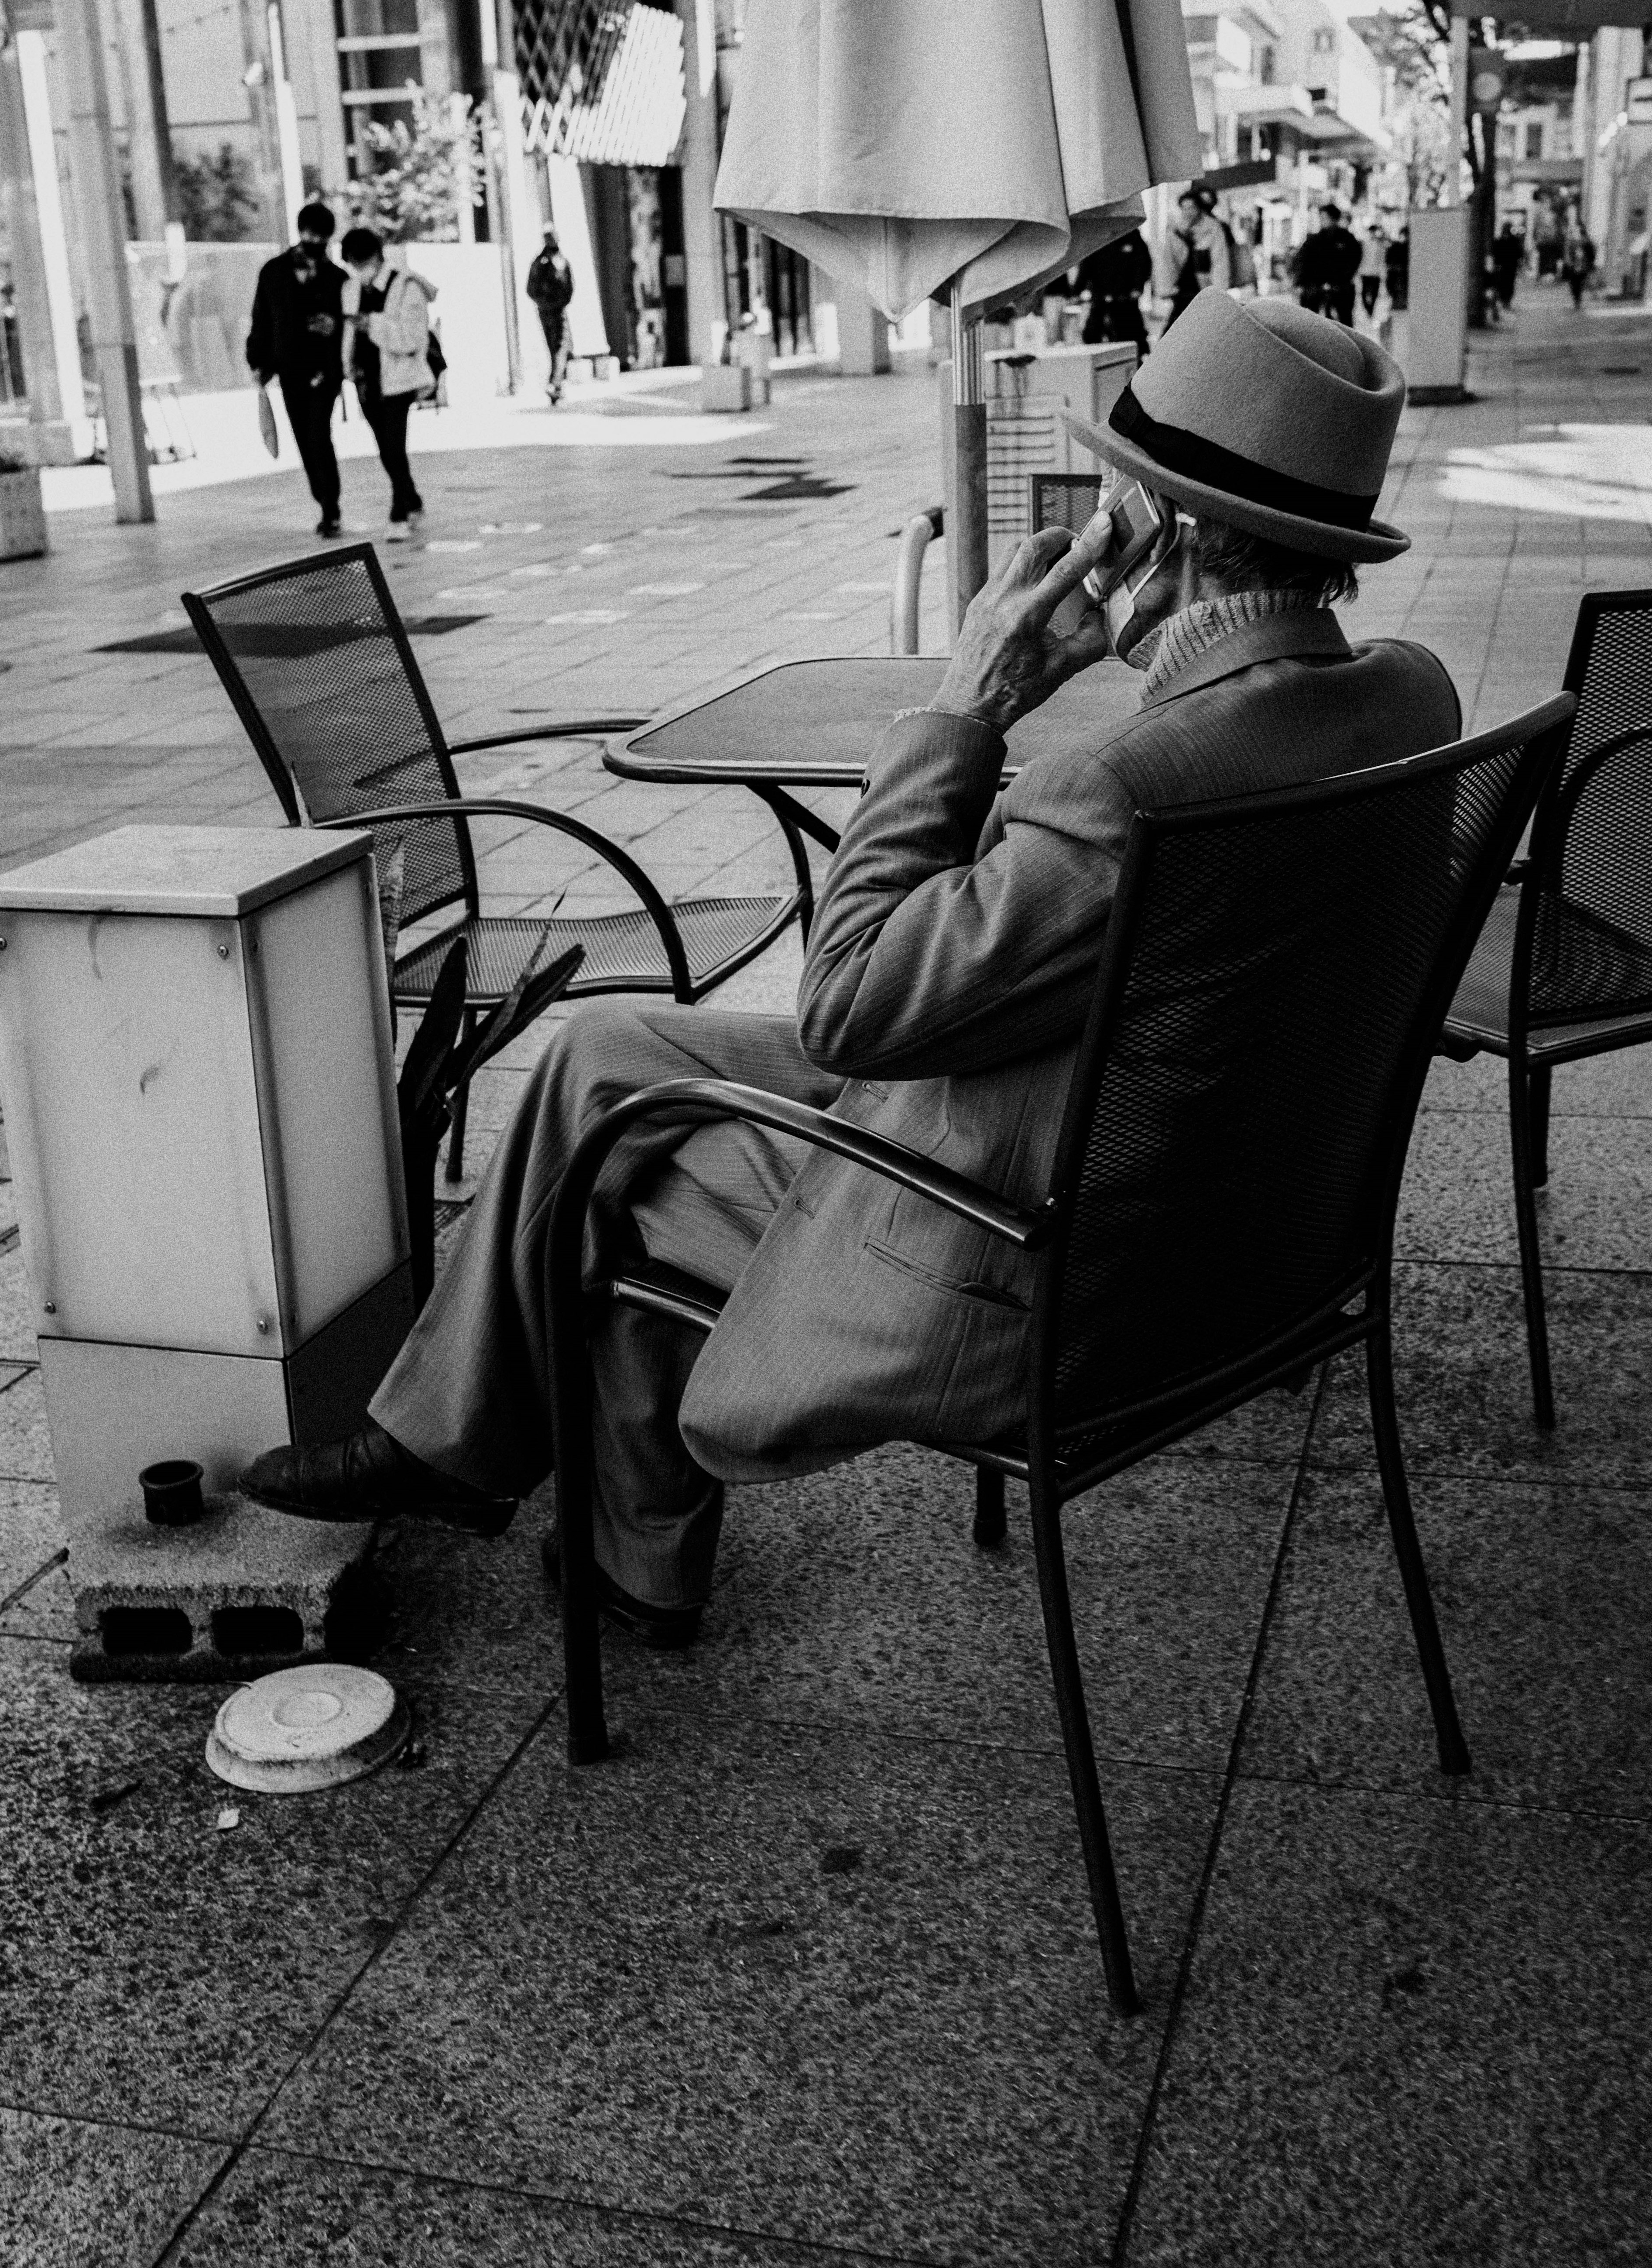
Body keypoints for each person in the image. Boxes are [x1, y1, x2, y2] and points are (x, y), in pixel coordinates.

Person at [241, 291, 1459, 1648]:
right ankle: (507, 1483)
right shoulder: (1402, 699)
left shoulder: (1127, 793)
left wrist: (968, 707)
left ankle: (518, 1490)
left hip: (1040, 1264)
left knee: (620, 1173)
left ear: (1160, 533)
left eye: (1115, 487)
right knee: (603, 1056)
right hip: (1227, 1226)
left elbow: (854, 1005)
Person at [245, 201, 346, 537]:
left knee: (318, 434)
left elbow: (345, 326)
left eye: (322, 236)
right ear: (301, 232)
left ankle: (330, 505)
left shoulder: (337, 279)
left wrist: (333, 329)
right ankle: (322, 500)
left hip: (325, 370)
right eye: (312, 234)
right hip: (289, 369)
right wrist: (258, 360)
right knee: (304, 437)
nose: (316, 240)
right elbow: (262, 319)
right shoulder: (273, 273)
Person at [340, 225, 434, 541]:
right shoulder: (352, 289)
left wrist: (373, 324)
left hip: (398, 379)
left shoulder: (406, 286)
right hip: (366, 380)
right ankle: (412, 497)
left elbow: (411, 339)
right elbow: (348, 334)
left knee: (394, 445)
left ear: (378, 257)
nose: (359, 270)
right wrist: (348, 365)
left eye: (361, 262)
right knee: (384, 447)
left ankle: (399, 513)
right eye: (353, 263)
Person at [1076, 227, 1152, 356]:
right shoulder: (1097, 237)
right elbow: (1087, 265)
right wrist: (1077, 290)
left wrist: (1137, 288)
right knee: (1092, 335)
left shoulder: (1132, 236)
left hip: (1125, 298)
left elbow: (1143, 263)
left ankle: (1136, 363)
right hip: (1101, 296)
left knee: (1131, 336)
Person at [1163, 186, 1230, 330]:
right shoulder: (1175, 229)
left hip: (1203, 285)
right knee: (1176, 326)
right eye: (1184, 208)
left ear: (1199, 208)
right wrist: (1167, 286)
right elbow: (1167, 261)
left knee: (1204, 325)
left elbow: (1219, 261)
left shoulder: (1213, 228)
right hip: (1182, 285)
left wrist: (1219, 290)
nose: (1188, 212)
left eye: (1192, 208)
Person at [527, 225, 574, 404]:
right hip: (554, 311)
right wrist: (553, 304)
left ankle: (557, 387)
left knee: (557, 349)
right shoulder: (554, 261)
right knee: (560, 348)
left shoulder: (540, 262)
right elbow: (567, 287)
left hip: (548, 310)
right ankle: (554, 384)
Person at [1294, 204, 1361, 325]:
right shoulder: (1314, 240)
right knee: (1311, 323)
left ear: (1334, 219)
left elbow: (1354, 260)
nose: (1322, 221)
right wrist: (1301, 282)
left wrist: (1343, 279)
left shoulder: (1347, 239)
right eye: (1322, 217)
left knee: (1344, 323)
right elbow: (1302, 261)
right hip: (1316, 287)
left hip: (1340, 287)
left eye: (1325, 218)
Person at [1493, 222, 1524, 310]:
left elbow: (1496, 254)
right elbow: (1519, 254)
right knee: (1508, 285)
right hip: (1510, 266)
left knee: (1504, 285)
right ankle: (1506, 302)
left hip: (1505, 267)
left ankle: (1505, 302)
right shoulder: (1514, 241)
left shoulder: (1500, 241)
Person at [1563, 225, 1596, 311]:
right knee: (1574, 285)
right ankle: (1577, 301)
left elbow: (1592, 255)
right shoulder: (1571, 244)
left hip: (1583, 267)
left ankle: (1578, 301)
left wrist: (1590, 264)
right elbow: (1568, 255)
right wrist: (1569, 264)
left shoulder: (1587, 243)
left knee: (1579, 285)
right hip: (1574, 267)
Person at [1358, 222, 1385, 322]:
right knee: (1364, 292)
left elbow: (1382, 259)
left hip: (1376, 273)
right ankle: (1367, 308)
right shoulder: (1364, 244)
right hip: (1365, 272)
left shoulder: (1380, 244)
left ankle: (1371, 310)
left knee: (1374, 293)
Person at [1384, 228, 1409, 313]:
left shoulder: (1408, 248)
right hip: (1395, 274)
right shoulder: (1395, 247)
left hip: (1403, 274)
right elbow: (1388, 260)